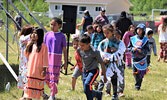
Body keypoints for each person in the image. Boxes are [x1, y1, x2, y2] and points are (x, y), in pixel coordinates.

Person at [98, 24, 125, 100]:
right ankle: (99, 94)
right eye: (104, 33)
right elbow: (99, 52)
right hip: (104, 64)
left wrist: (110, 59)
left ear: (112, 32)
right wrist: (103, 59)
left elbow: (120, 52)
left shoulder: (118, 42)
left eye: (107, 33)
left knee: (114, 78)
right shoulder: (102, 43)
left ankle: (115, 95)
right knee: (103, 78)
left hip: (115, 64)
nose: (105, 34)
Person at [78, 34, 107, 100]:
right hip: (85, 71)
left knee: (87, 84)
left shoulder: (95, 51)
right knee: (86, 90)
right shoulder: (79, 50)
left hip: (94, 71)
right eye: (80, 45)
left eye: (82, 45)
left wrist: (104, 76)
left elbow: (102, 63)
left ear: (88, 44)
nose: (80, 47)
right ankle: (98, 94)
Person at [44, 17, 67, 100]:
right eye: (51, 24)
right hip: (46, 57)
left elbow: (64, 50)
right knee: (46, 77)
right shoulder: (47, 34)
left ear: (59, 25)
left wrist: (66, 62)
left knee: (53, 77)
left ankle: (52, 95)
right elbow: (43, 47)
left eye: (54, 25)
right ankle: (54, 89)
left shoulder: (62, 36)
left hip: (55, 58)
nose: (52, 26)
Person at [23, 27, 49, 100]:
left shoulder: (43, 46)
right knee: (29, 85)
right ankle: (29, 98)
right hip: (31, 69)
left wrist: (44, 69)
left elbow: (45, 59)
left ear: (40, 35)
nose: (33, 35)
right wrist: (28, 46)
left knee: (37, 86)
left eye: (35, 33)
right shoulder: (32, 45)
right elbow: (26, 54)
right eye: (32, 33)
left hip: (38, 69)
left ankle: (42, 96)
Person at [128, 24, 150, 91]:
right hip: (135, 59)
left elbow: (147, 49)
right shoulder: (133, 39)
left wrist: (142, 51)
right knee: (135, 72)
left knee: (140, 74)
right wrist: (133, 49)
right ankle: (136, 82)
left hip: (142, 59)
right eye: (138, 29)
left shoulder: (145, 40)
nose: (139, 31)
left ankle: (138, 86)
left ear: (143, 31)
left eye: (141, 30)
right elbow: (129, 48)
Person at [17, 25, 33, 100]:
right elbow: (30, 37)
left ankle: (25, 95)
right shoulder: (24, 38)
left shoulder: (22, 38)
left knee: (25, 78)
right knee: (27, 78)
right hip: (27, 61)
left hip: (23, 61)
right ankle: (27, 95)